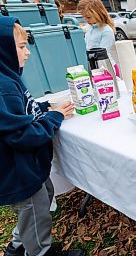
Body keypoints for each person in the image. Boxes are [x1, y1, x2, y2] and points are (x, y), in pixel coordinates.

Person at [0, 17, 84, 256]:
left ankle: (16, 247)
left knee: (44, 197)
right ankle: (40, 251)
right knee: (34, 213)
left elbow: (23, 109)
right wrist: (54, 117)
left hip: (28, 168)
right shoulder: (3, 88)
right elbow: (23, 135)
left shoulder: (8, 78)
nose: (27, 53)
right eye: (21, 46)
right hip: (18, 172)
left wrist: (46, 106)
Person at [77, 0, 119, 76]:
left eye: (88, 17)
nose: (85, 20)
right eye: (83, 17)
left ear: (98, 14)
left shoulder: (106, 31)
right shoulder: (89, 28)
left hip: (106, 69)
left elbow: (102, 55)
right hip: (94, 67)